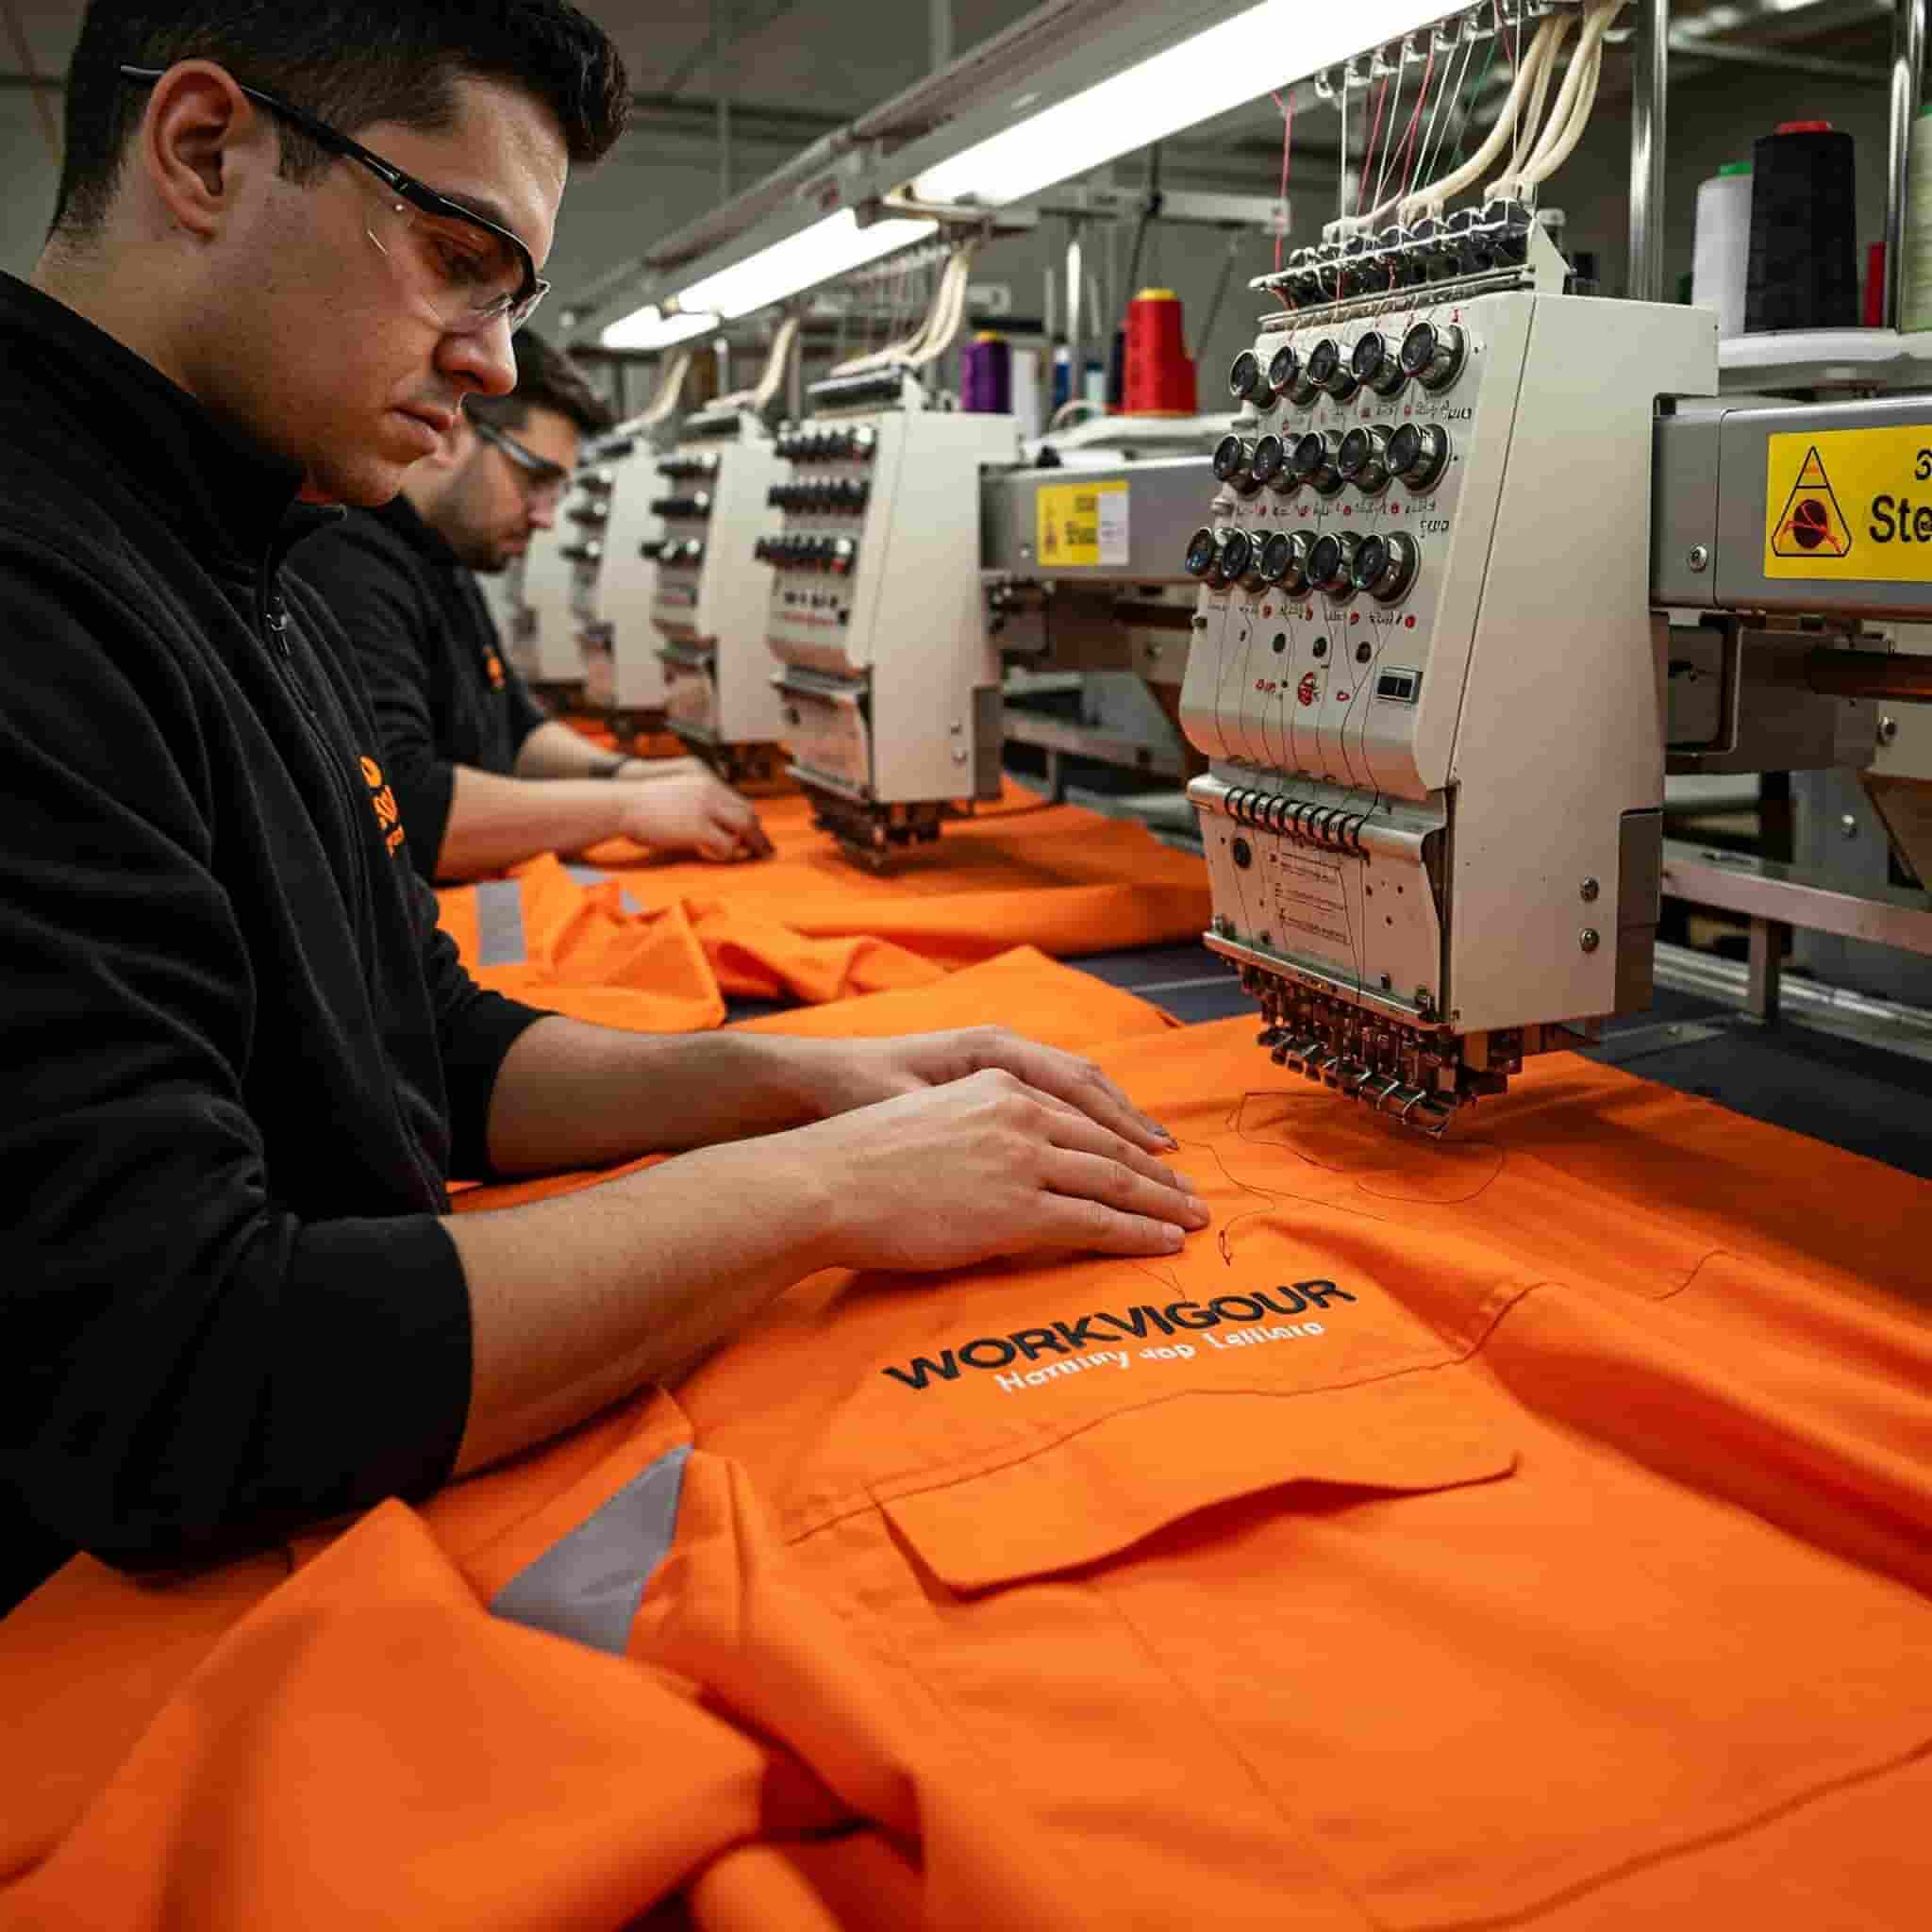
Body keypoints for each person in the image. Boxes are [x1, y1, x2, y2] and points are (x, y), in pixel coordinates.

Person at [0, 0, 1209, 1610]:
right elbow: (178, 1376)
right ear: (207, 152)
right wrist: (829, 1194)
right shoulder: (39, 591)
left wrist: (806, 1085)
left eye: (512, 298)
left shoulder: (234, 545)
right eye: (456, 257)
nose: (494, 362)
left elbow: (418, 1041)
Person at [296, 327, 770, 880]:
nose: (546, 516)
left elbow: (515, 731)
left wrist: (634, 776)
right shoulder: (348, 563)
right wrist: (628, 809)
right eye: (534, 479)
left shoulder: (441, 558)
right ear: (451, 435)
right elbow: (407, 809)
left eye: (556, 490)